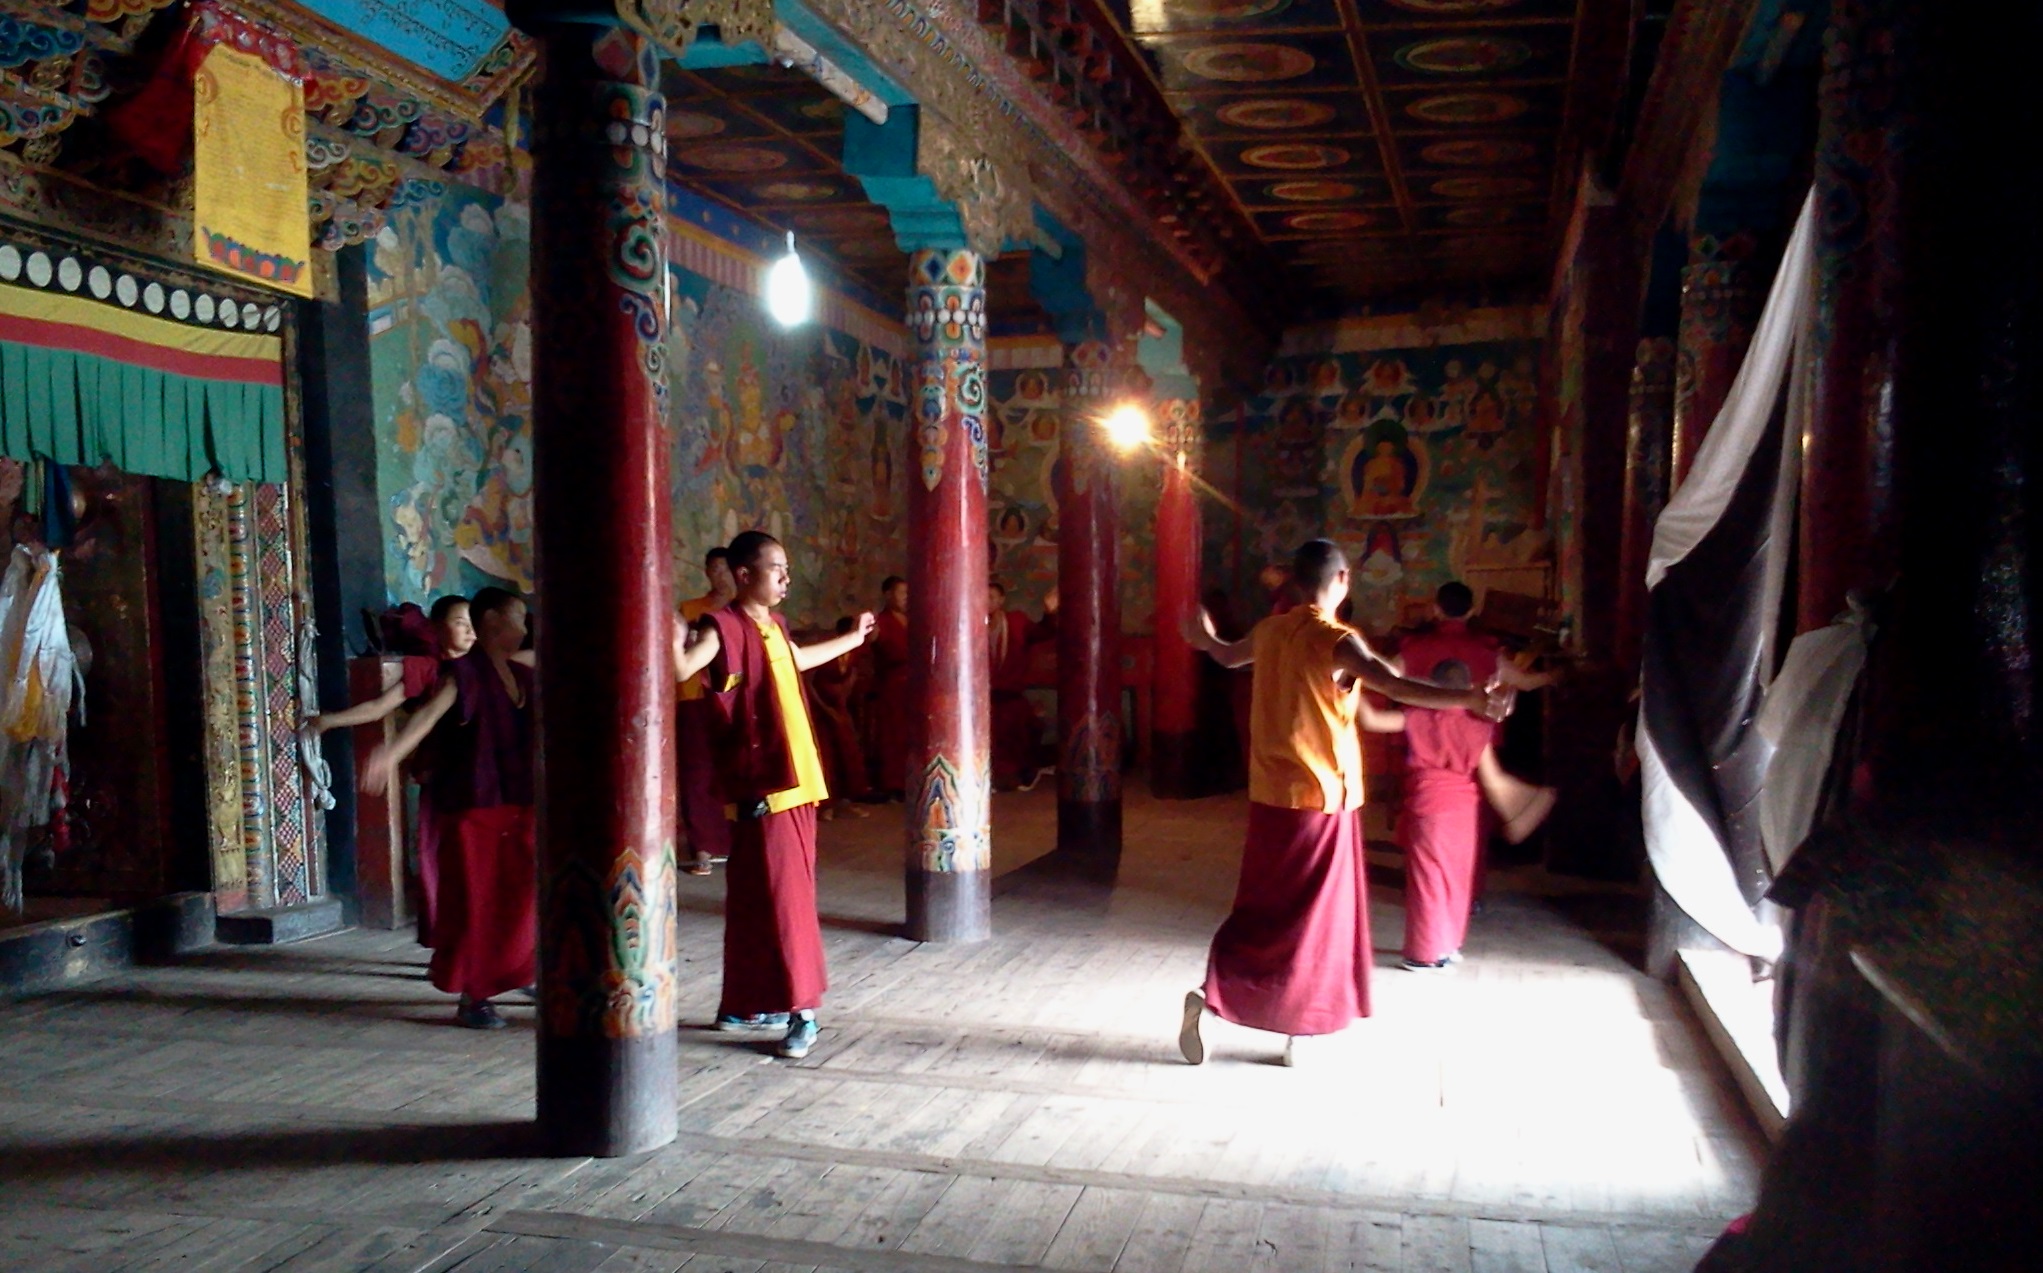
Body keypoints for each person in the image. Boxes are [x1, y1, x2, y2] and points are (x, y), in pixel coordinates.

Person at [1177, 540, 1507, 1066]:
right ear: (1344, 580)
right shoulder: (1336, 640)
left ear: (1293, 583)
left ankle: (1226, 1005)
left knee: (1265, 909)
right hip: (1321, 800)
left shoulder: (1271, 630)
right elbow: (1397, 685)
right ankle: (1288, 1028)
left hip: (1270, 799)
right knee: (1312, 921)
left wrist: (1205, 637)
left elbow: (1225, 653)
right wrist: (1469, 699)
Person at [676, 532, 876, 1059]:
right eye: (776, 569)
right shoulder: (722, 627)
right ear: (745, 575)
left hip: (794, 782)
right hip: (765, 785)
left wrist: (853, 640)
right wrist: (662, 635)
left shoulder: (773, 625)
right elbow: (681, 669)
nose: (786, 578)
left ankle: (745, 1002)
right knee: (783, 902)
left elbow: (796, 662)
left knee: (757, 898)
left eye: (786, 569)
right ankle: (802, 1010)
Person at [363, 588, 537, 1030]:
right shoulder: (463, 672)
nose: (524, 627)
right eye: (518, 618)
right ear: (493, 621)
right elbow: (426, 718)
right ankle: (473, 996)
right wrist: (391, 755)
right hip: (474, 807)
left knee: (523, 900)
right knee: (477, 903)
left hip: (519, 802)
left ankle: (520, 971)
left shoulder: (522, 674)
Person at [302, 595, 492, 946]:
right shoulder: (427, 669)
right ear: (437, 627)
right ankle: (443, 936)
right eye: (459, 621)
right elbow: (380, 708)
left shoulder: (490, 668)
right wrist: (329, 721)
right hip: (444, 774)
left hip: (487, 779)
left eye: (472, 623)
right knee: (436, 858)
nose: (469, 629)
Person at [1394, 581, 1557, 843]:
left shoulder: (1414, 647)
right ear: (1471, 611)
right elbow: (1526, 682)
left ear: (1436, 609)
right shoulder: (1486, 650)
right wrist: (1554, 675)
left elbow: (1386, 677)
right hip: (1475, 741)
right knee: (1480, 804)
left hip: (1425, 742)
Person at [1364, 658, 1497, 970]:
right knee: (1457, 878)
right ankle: (1448, 944)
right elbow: (1489, 773)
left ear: (1431, 689)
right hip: (1465, 808)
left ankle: (1423, 952)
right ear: (1466, 688)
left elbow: (1371, 720)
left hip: (1428, 804)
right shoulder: (1480, 724)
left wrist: (1351, 685)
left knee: (1427, 880)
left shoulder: (1417, 715)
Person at [677, 546, 738, 875]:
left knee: (732, 770)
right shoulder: (691, 608)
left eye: (723, 569)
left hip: (733, 696)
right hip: (694, 697)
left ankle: (732, 843)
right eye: (712, 569)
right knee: (696, 771)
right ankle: (701, 847)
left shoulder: (742, 610)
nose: (718, 575)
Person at [988, 581, 1056, 791]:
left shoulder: (1016, 621)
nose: (985, 601)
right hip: (981, 699)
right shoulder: (968, 624)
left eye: (991, 597)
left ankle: (1017, 776)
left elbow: (1043, 632)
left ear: (1001, 600)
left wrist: (1050, 612)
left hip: (1009, 694)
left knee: (1017, 736)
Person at [805, 616, 872, 821]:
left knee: (847, 752)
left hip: (839, 706)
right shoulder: (828, 649)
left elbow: (852, 674)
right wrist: (826, 709)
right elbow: (808, 682)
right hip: (820, 708)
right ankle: (827, 806)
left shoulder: (855, 652)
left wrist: (843, 698)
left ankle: (847, 802)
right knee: (828, 757)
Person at [866, 575, 910, 799]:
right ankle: (894, 784)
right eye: (902, 593)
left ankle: (912, 781)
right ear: (888, 595)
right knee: (893, 735)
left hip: (915, 686)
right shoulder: (881, 622)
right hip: (892, 685)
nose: (906, 599)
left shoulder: (914, 620)